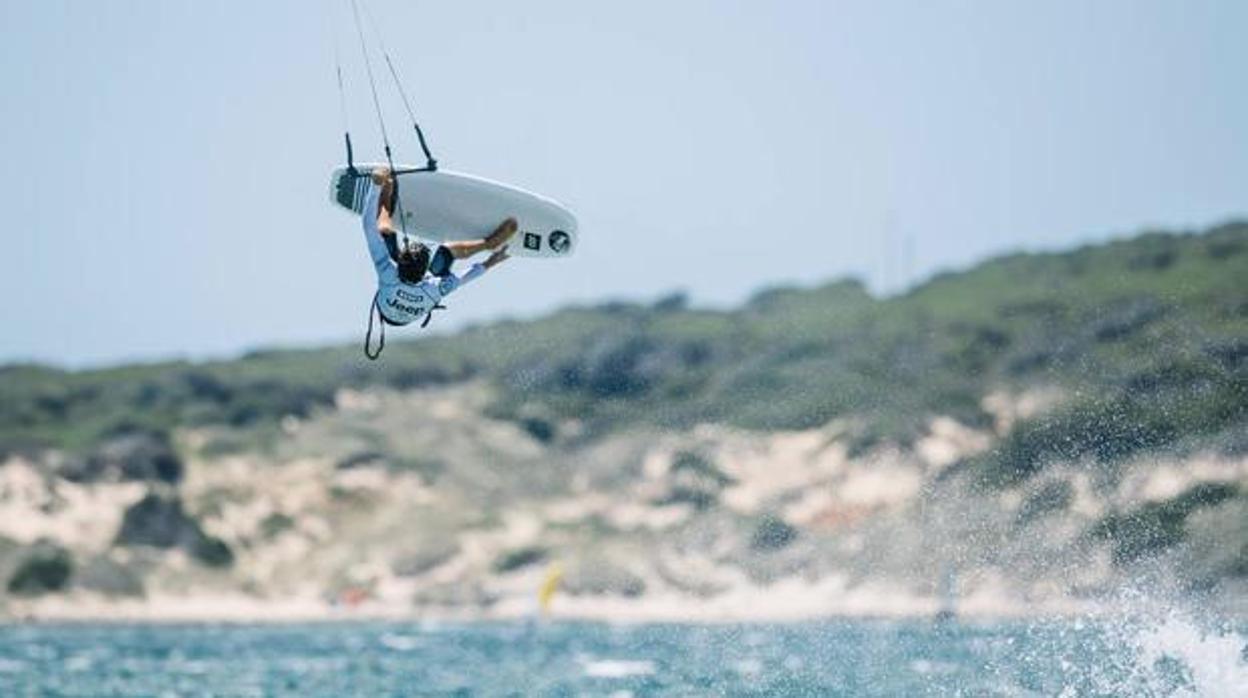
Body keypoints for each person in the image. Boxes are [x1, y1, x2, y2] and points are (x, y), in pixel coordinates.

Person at [361, 168, 515, 329]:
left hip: (388, 308)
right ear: (426, 272)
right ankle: (488, 243)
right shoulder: (434, 287)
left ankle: (385, 194)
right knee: (446, 251)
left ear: (398, 262)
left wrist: (376, 185)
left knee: (384, 232)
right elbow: (464, 278)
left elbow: (368, 226)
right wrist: (490, 262)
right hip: (411, 301)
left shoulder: (388, 272)